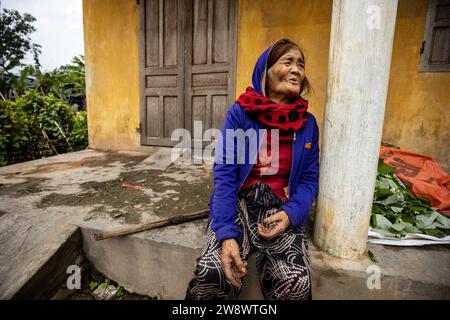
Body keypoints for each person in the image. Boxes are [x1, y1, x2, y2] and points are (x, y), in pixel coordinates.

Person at [185, 39, 319, 300]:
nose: (296, 70)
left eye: (301, 65)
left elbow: (310, 179)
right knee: (213, 272)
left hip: (281, 205)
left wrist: (291, 214)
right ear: (265, 72)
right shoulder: (241, 113)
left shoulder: (307, 123)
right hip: (240, 204)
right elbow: (225, 173)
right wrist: (225, 233)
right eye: (288, 62)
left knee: (295, 282)